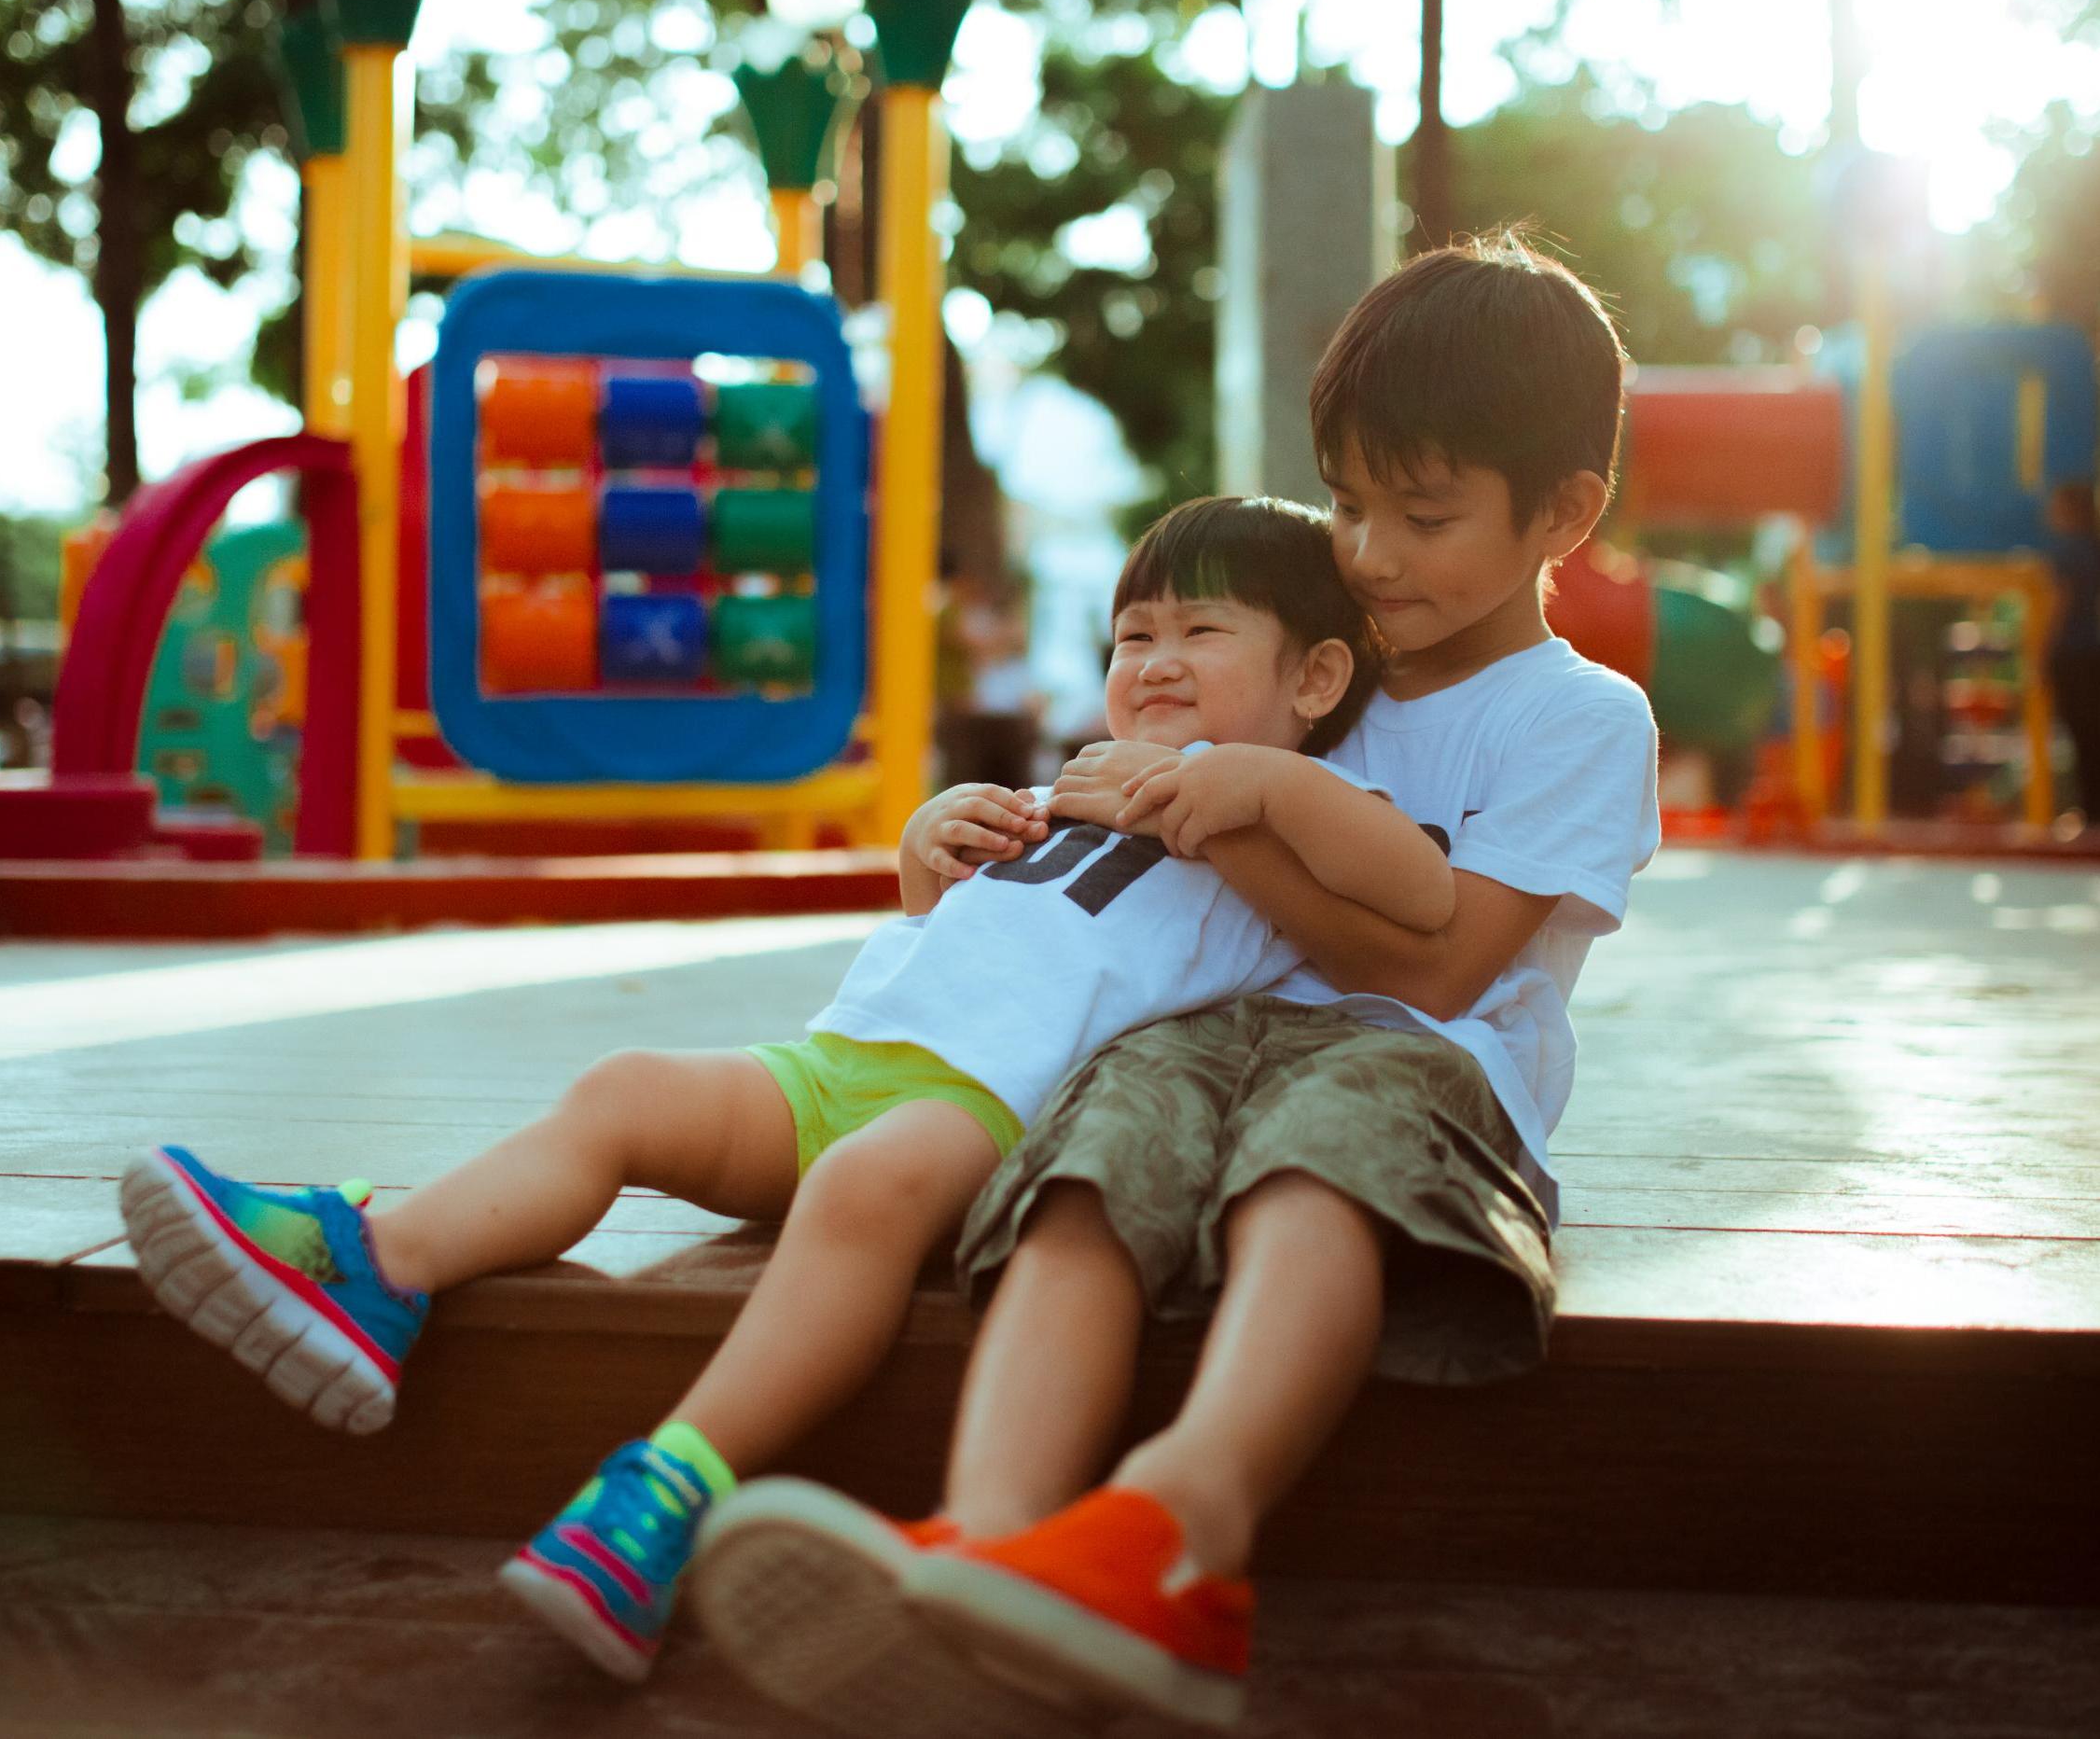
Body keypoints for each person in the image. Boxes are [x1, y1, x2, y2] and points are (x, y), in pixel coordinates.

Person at [116, 494, 1453, 1698]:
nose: (1152, 662)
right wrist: (930, 853)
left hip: (990, 1112)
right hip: (843, 1062)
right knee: (626, 1088)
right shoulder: (1079, 784)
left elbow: (1419, 890)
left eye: (1199, 632)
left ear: (1317, 675)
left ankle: (665, 1493)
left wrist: (1261, 782)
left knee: (860, 1190)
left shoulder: (1300, 812)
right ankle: (379, 1267)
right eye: (1129, 636)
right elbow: (986, 923)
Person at [691, 235, 1662, 1734]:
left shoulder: (1578, 717)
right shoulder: (1311, 656)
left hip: (1427, 1065)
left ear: (1566, 514)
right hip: (1206, 1033)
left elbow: (1451, 962)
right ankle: (994, 1542)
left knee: (1312, 1165)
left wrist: (1226, 799)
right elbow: (1129, 863)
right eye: (1347, 504)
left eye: (1425, 514)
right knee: (1087, 1158)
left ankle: (1174, 1532)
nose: (1373, 554)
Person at [2044, 480, 2100, 827]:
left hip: (2073, 652)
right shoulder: (2093, 548)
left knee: (2081, 732)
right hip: (2093, 652)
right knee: (2092, 731)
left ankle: (2091, 811)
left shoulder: (2068, 551)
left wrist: (2042, 651)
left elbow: (2059, 604)